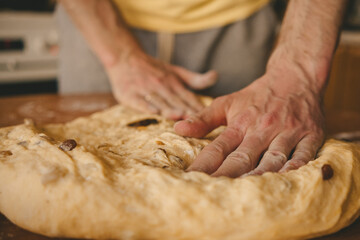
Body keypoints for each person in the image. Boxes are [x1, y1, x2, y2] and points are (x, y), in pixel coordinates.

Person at [58, 0, 347, 178]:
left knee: (252, 160)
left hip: (237, 19)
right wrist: (120, 56)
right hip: (94, 17)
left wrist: (297, 75)